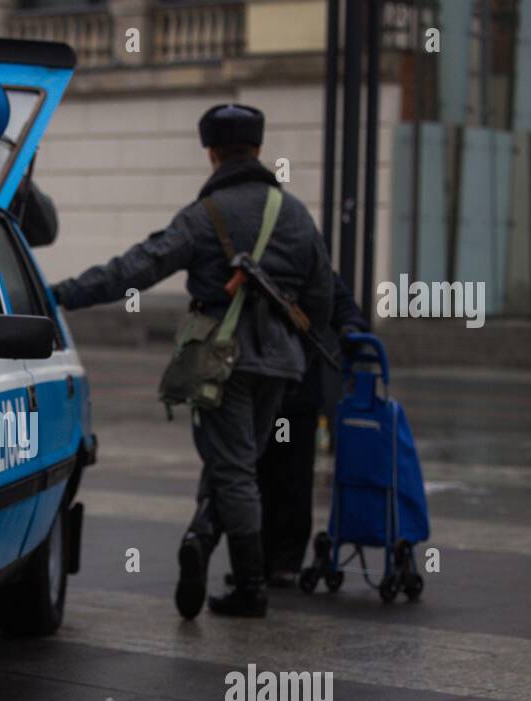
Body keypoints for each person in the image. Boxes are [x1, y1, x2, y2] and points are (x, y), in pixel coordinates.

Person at [52, 103, 333, 619]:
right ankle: (200, 538)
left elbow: (137, 267)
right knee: (238, 464)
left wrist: (63, 294)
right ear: (259, 149)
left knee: (233, 471)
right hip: (281, 364)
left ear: (211, 152)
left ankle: (251, 586)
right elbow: (321, 296)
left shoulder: (206, 216)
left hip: (219, 362)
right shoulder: (293, 213)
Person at [257, 273, 370, 587]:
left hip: (290, 393)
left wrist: (351, 327)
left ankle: (281, 561)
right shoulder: (291, 248)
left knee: (287, 474)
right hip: (267, 391)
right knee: (262, 475)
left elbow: (341, 301)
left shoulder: (303, 252)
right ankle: (262, 560)